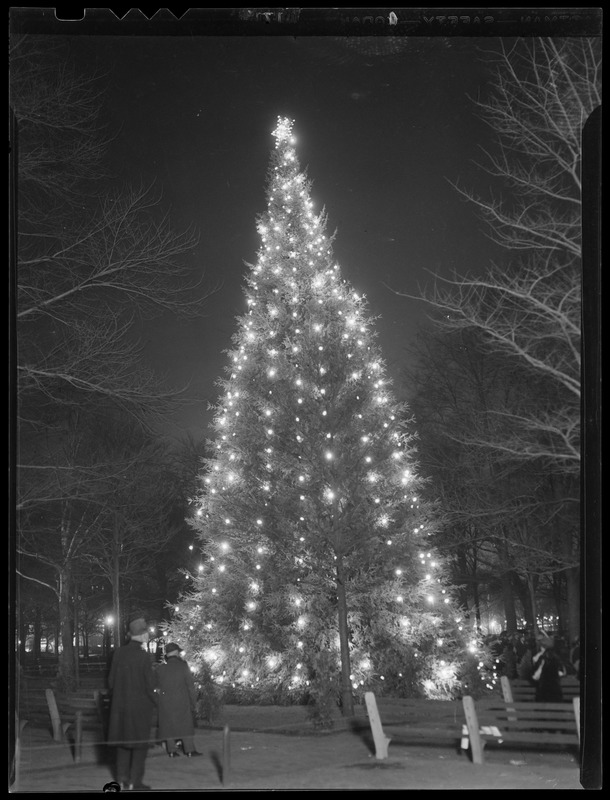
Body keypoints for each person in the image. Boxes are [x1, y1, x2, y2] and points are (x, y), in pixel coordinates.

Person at [107, 617, 158, 791]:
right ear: (142, 635)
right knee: (139, 746)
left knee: (123, 745)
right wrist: (158, 701)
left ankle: (121, 779)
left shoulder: (118, 653)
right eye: (147, 633)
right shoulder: (144, 656)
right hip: (140, 710)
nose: (148, 636)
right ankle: (135, 782)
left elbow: (111, 681)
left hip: (120, 709)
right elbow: (150, 686)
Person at [156, 642, 202, 758]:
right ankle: (189, 750)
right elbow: (190, 686)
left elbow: (156, 686)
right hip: (181, 700)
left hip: (165, 701)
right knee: (185, 725)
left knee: (168, 726)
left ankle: (171, 750)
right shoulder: (183, 666)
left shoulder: (161, 669)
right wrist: (194, 702)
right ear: (177, 653)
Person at [531, 633, 566, 702]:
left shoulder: (539, 658)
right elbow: (562, 673)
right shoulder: (557, 659)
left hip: (542, 695)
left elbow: (535, 677)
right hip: (556, 695)